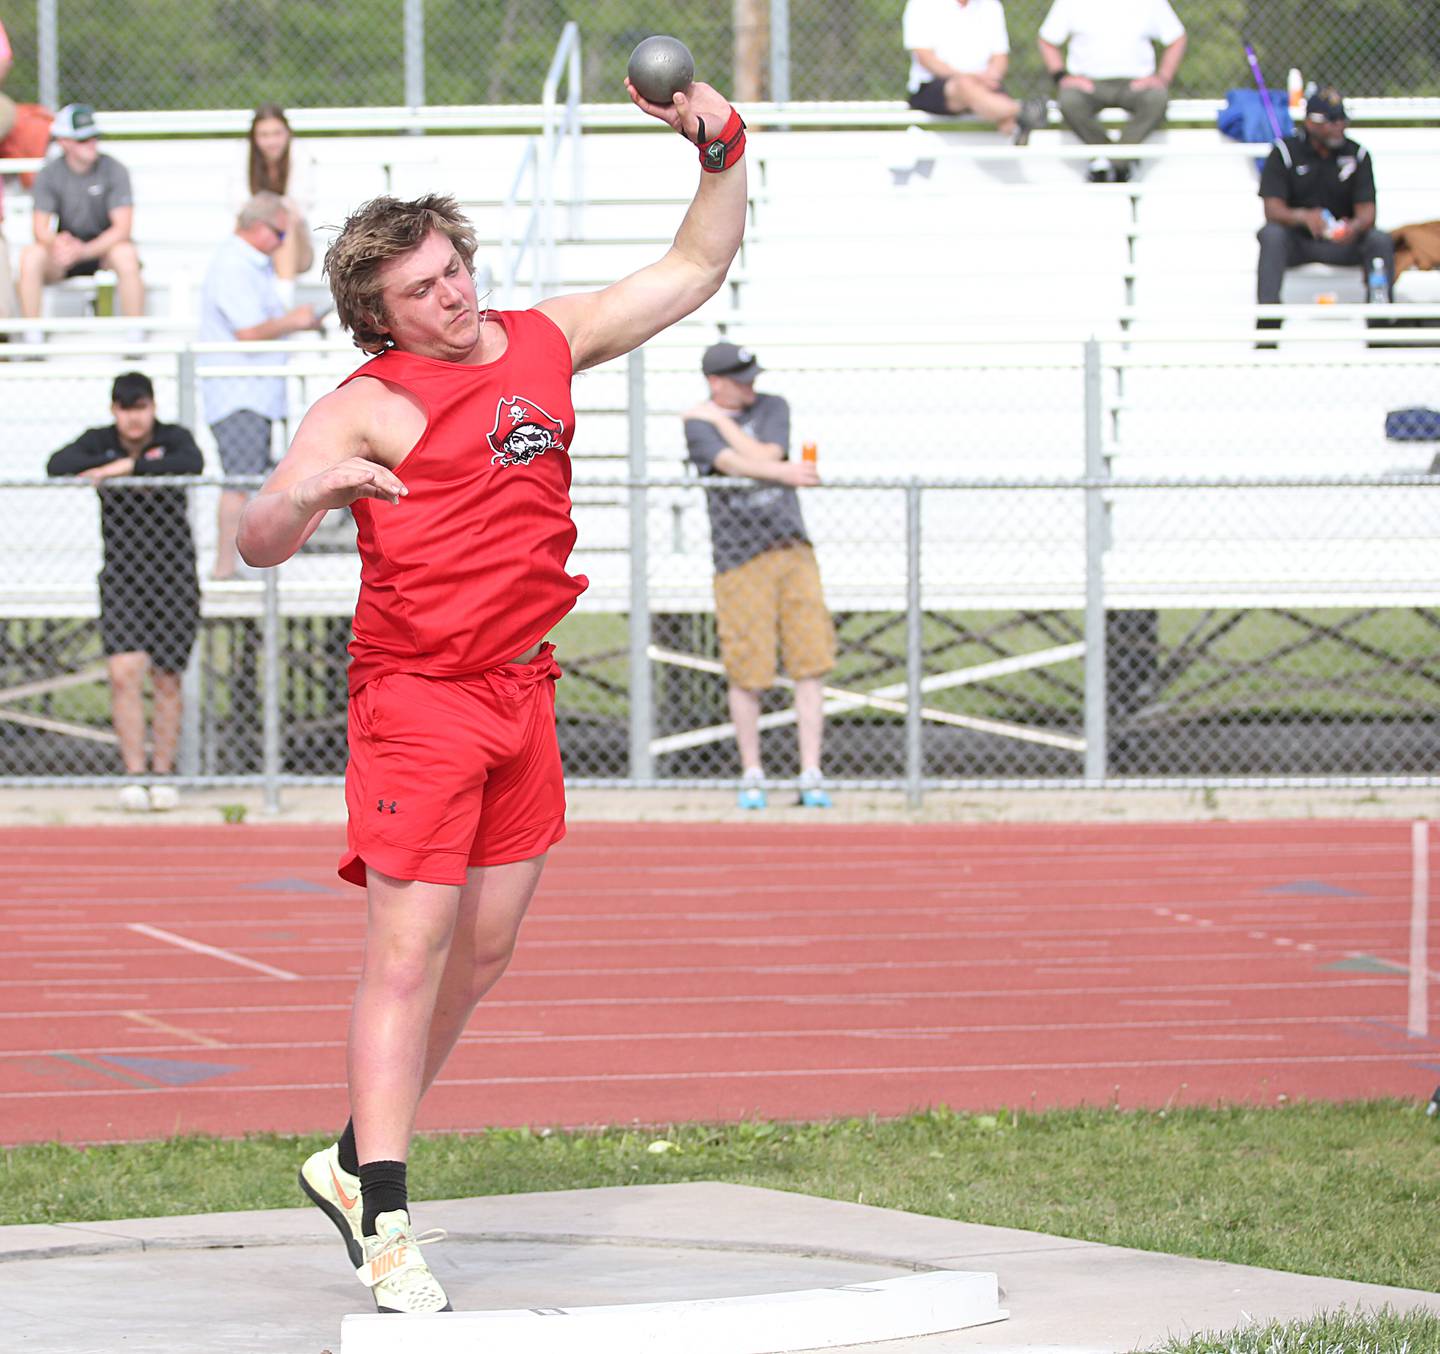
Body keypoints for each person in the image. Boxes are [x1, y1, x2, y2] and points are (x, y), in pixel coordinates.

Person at [235, 75, 747, 1314]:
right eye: (422, 287)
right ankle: (391, 1222)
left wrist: (723, 146)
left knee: (490, 947)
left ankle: (354, 1160)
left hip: (522, 691)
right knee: (405, 953)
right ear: (378, 312)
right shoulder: (367, 402)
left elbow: (690, 270)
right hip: (417, 696)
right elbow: (253, 534)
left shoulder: (541, 337)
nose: (453, 294)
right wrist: (311, 494)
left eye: (454, 267)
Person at [683, 342, 836, 811]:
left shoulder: (767, 407)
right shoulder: (695, 425)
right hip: (738, 557)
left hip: (790, 547)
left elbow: (769, 453)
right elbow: (733, 465)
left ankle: (811, 771)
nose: (751, 385)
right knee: (747, 668)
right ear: (715, 382)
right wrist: (780, 472)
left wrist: (722, 421)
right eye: (739, 378)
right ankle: (753, 772)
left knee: (810, 661)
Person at [46, 372, 202, 812]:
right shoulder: (99, 440)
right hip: (122, 577)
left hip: (173, 577)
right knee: (123, 673)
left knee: (167, 677)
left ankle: (163, 773)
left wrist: (129, 468)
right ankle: (134, 773)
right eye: (125, 409)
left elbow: (191, 463)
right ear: (114, 411)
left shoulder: (173, 438)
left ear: (153, 407)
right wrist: (109, 463)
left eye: (141, 408)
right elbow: (56, 464)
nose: (134, 418)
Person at [199, 190, 324, 580]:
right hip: (240, 393)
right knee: (240, 480)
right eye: (279, 234)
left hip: (252, 393)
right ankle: (225, 567)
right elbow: (248, 331)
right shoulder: (233, 265)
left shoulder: (250, 265)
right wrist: (296, 321)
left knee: (246, 477)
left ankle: (233, 566)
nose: (282, 243)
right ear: (257, 227)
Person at [1255, 87, 1394, 342]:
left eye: (1343, 120)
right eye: (1332, 120)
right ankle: (1268, 326)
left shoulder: (1357, 155)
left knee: (1380, 240)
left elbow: (1368, 212)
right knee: (1271, 235)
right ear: (1311, 122)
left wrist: (1353, 226)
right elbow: (1272, 209)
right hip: (1299, 242)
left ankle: (1380, 327)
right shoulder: (1285, 152)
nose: (1340, 126)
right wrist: (1304, 217)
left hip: (1343, 242)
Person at [18, 103, 145, 324]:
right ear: (64, 142)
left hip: (103, 252)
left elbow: (122, 229)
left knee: (126, 256)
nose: (92, 144)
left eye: (94, 136)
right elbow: (40, 229)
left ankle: (136, 337)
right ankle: (31, 339)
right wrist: (58, 242)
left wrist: (84, 251)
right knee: (31, 257)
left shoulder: (114, 169)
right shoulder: (50, 174)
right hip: (64, 255)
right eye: (83, 139)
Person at [1036, 0, 1186, 182]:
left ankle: (1110, 161)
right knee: (1068, 100)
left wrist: (1162, 77)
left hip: (1135, 85)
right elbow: (1047, 39)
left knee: (1157, 98)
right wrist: (1062, 77)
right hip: (1087, 85)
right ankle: (1119, 162)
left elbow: (1177, 37)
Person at [901, 0, 1045, 144]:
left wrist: (990, 77)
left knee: (1008, 123)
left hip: (983, 86)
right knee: (965, 85)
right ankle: (1021, 111)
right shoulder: (921, 4)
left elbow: (1000, 58)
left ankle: (1016, 124)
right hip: (933, 87)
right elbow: (925, 59)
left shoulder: (991, 6)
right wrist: (967, 77)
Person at [244, 103, 316, 298]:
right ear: (255, 137)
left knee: (284, 224)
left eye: (277, 133)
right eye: (264, 135)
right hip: (256, 241)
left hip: (296, 248)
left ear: (287, 133)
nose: (271, 141)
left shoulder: (299, 154)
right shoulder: (243, 156)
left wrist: (268, 212)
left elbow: (299, 206)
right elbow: (238, 207)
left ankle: (283, 302)